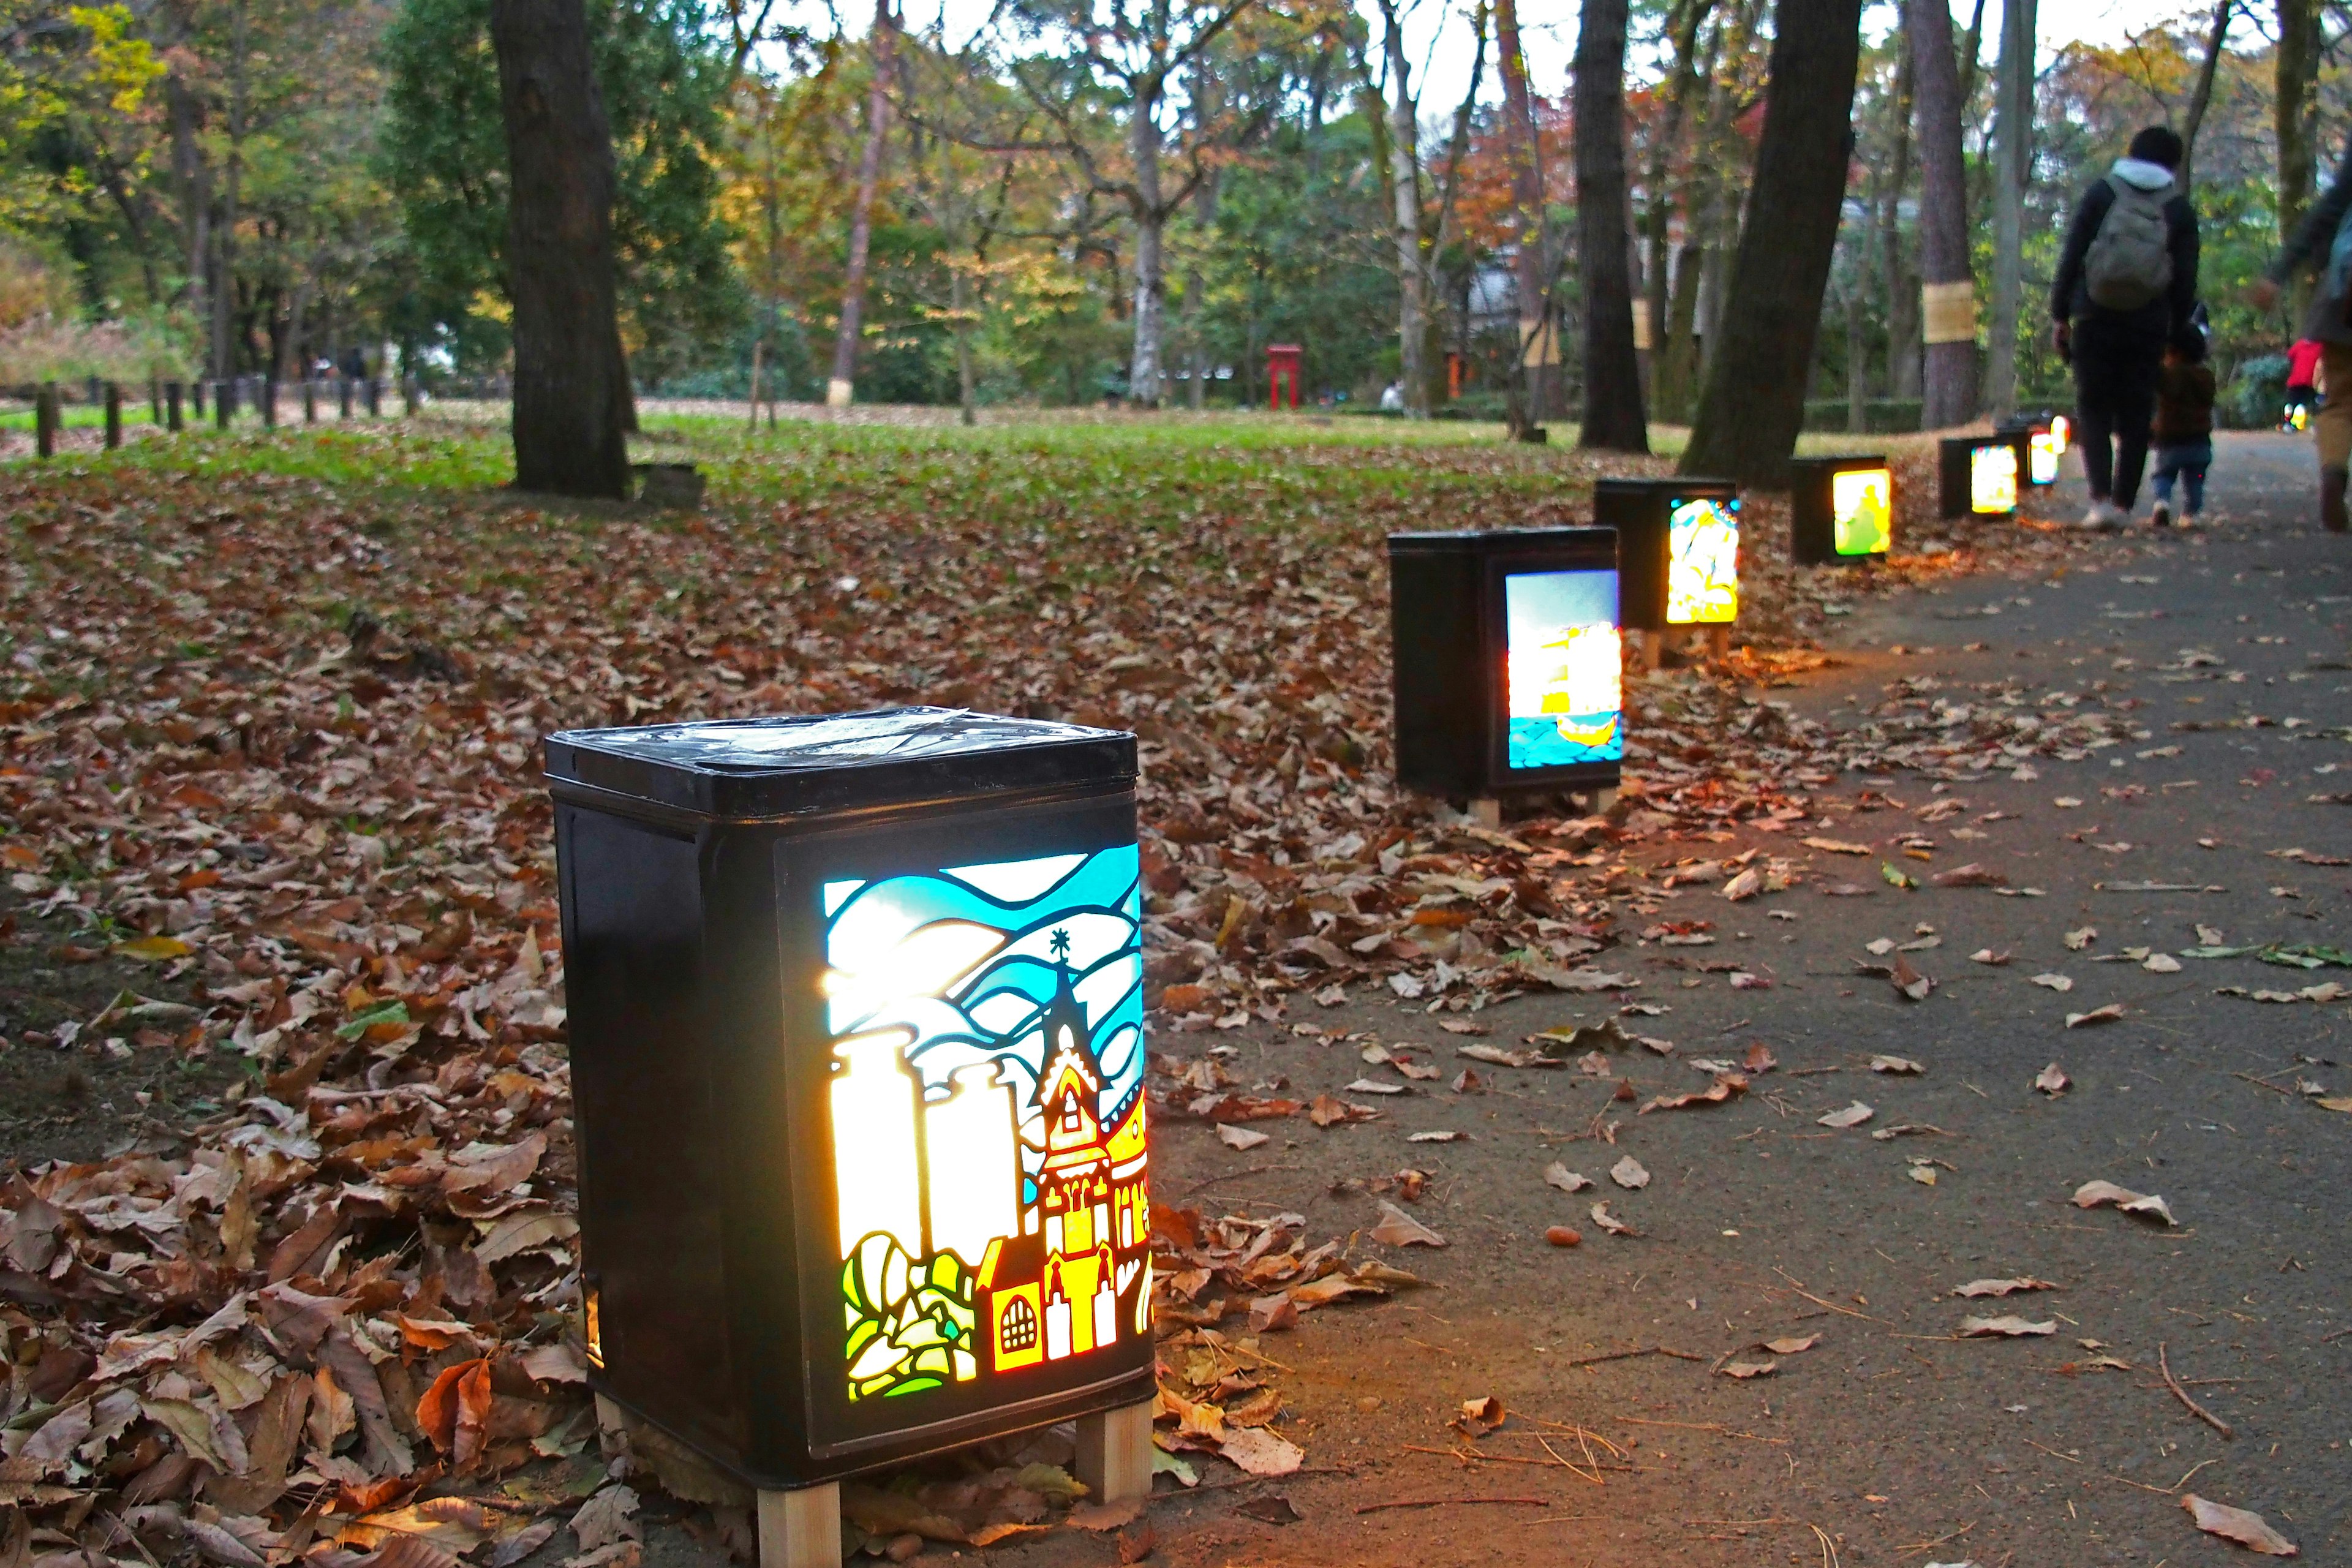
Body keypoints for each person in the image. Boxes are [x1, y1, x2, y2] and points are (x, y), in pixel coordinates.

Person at [2048, 126, 2201, 530]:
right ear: (2173, 164)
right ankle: (2122, 506)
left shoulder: (2103, 193)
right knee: (2136, 415)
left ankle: (2098, 501)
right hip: (2148, 321)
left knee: (2093, 408)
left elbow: (2074, 253)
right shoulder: (2178, 209)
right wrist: (2175, 326)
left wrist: (2060, 313)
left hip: (2094, 315)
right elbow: (2185, 278)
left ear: (2131, 152)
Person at [2255, 137, 2352, 532]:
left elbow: (2327, 211)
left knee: (2341, 403)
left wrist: (2277, 273)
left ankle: (2333, 471)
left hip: (2343, 297)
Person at [2149, 321, 2215, 528]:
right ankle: (2191, 515)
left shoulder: (2167, 375)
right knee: (2195, 480)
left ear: (2171, 351)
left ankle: (2162, 503)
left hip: (2170, 439)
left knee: (2164, 475)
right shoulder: (2206, 377)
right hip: (2200, 440)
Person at [2282, 337, 2323, 431]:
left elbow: (2290, 356)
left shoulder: (2302, 345)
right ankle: (2290, 423)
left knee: (2295, 403)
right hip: (2306, 380)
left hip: (2303, 380)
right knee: (2309, 403)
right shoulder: (2317, 346)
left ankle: (2289, 424)